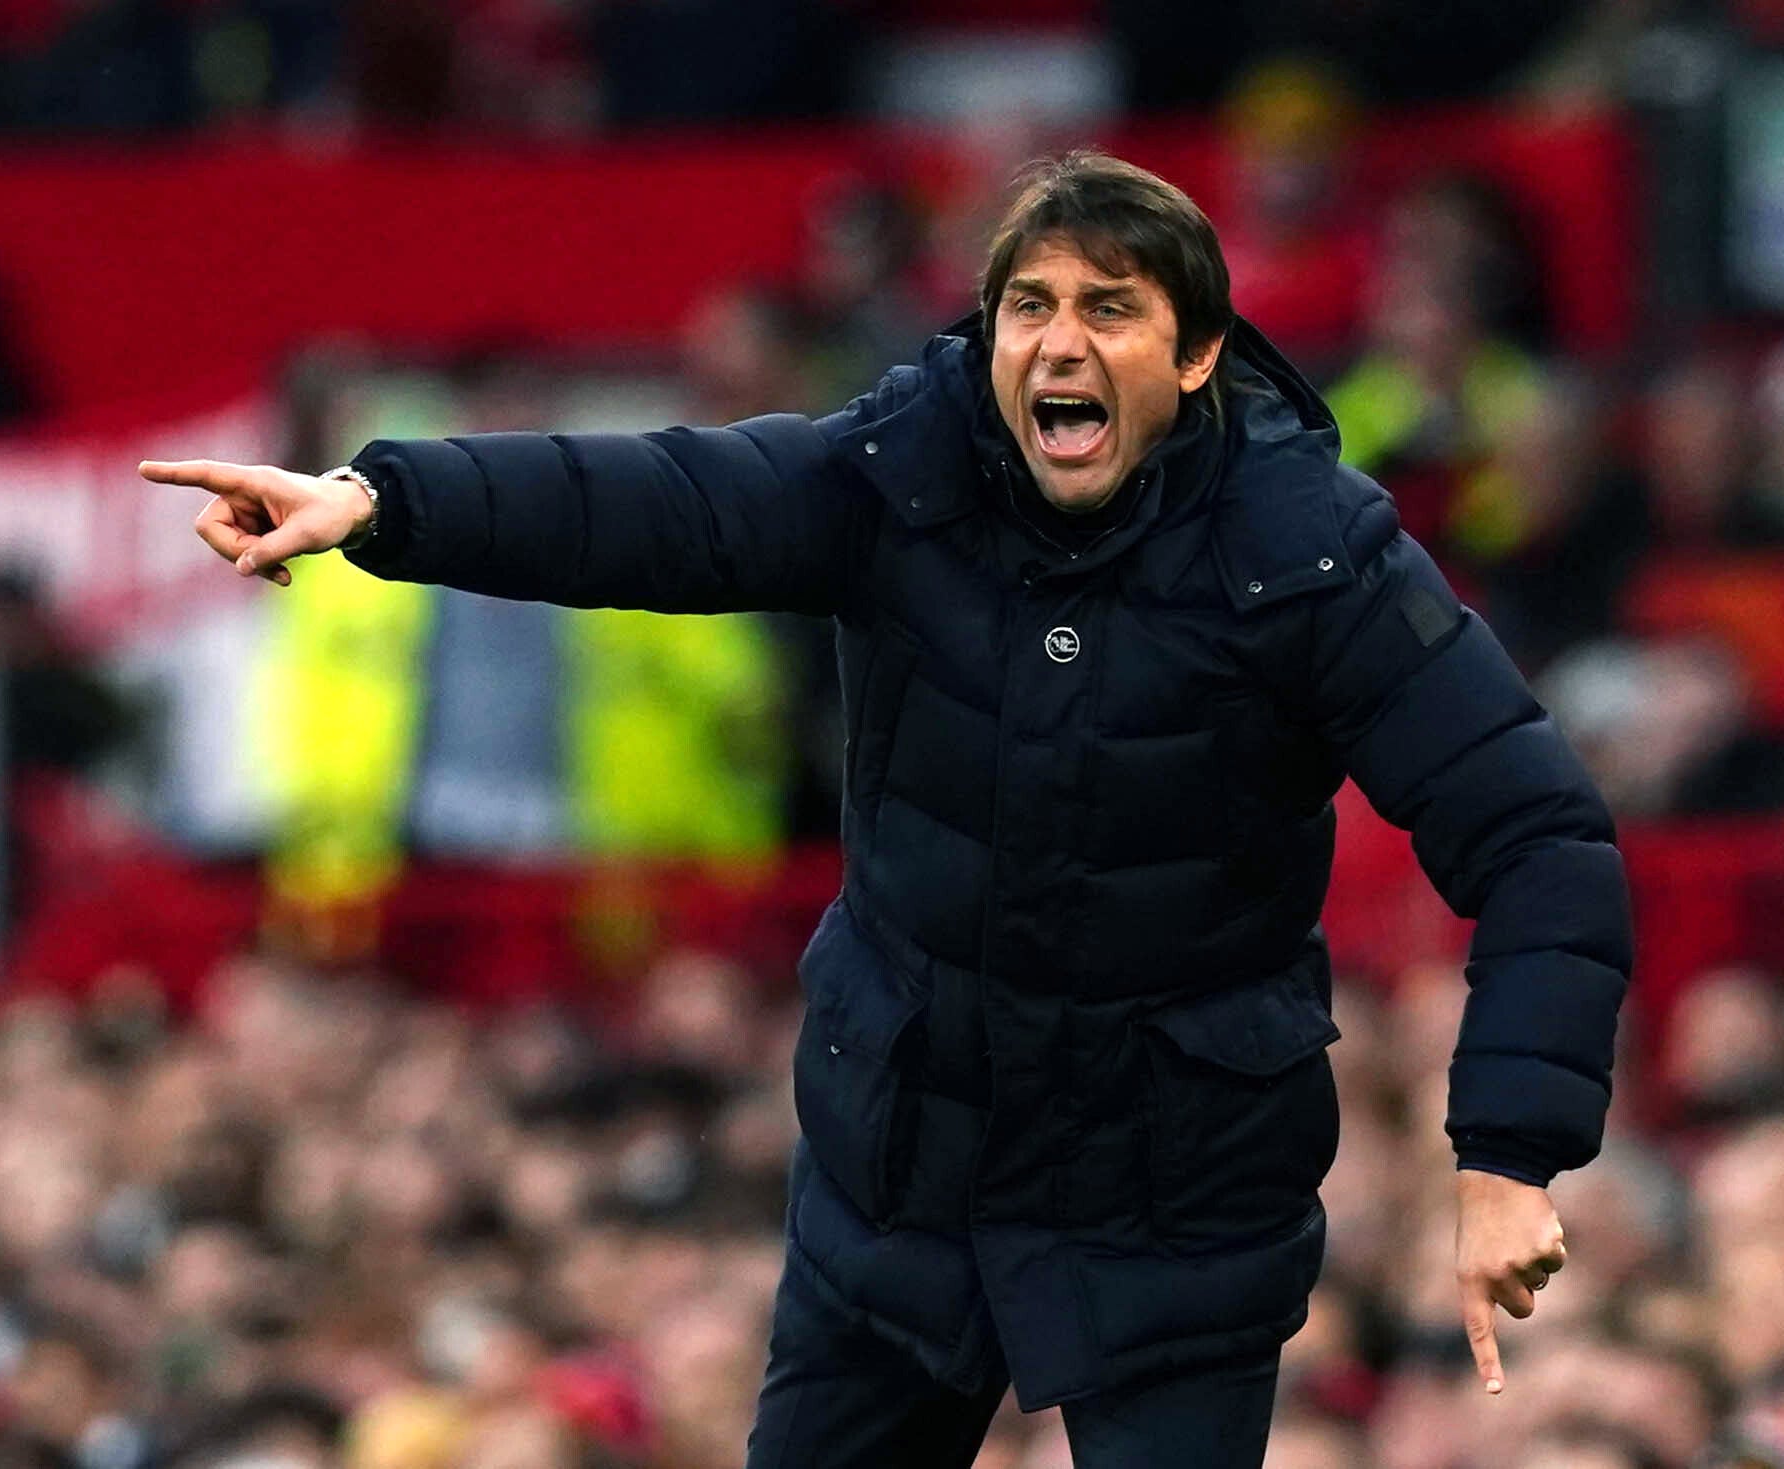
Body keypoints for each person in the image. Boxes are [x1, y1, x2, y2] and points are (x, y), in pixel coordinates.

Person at [141, 151, 1630, 1468]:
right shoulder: (892, 471)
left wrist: (1508, 1153)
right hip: (901, 1175)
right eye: (1029, 307)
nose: (1062, 340)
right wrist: (380, 502)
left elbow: (1542, 839)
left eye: (1111, 307)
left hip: (1177, 1195)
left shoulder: (1315, 553)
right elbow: (657, 499)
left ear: (1196, 357)